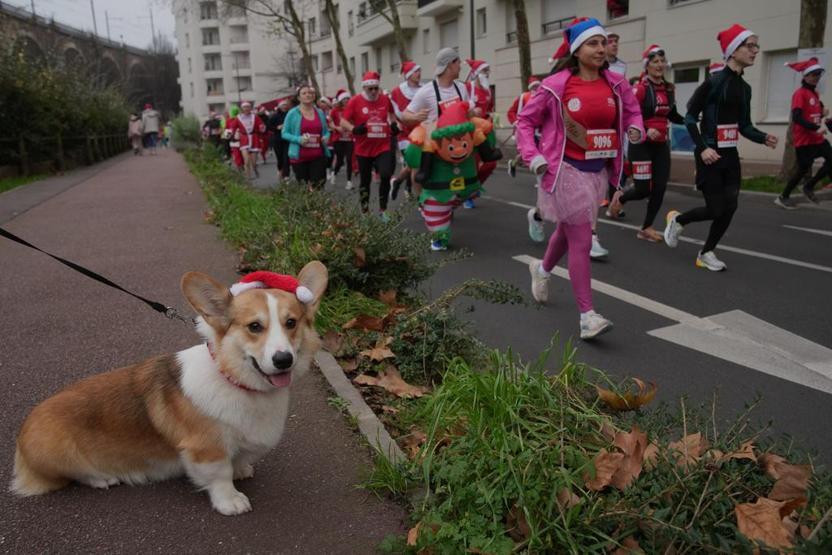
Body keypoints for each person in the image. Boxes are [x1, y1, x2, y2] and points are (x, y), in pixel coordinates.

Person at [516, 17, 644, 340]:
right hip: (565, 171)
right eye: (593, 43)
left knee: (567, 230)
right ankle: (587, 315)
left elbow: (632, 113)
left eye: (603, 43)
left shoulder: (617, 83)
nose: (601, 49)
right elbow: (524, 121)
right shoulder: (557, 85)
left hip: (598, 170)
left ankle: (541, 269)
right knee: (582, 239)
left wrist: (635, 129)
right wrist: (534, 157)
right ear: (577, 50)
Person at [664, 23, 777, 271]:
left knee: (731, 206)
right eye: (750, 46)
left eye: (756, 46)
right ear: (734, 50)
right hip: (709, 154)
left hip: (730, 154)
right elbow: (691, 117)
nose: (755, 51)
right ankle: (678, 220)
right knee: (716, 208)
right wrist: (703, 148)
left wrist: (762, 137)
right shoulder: (713, 82)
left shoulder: (745, 88)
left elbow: (744, 125)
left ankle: (706, 252)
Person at [608, 45, 684, 242]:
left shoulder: (669, 89)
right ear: (647, 66)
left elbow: (672, 114)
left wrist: (691, 120)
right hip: (641, 144)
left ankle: (646, 227)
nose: (660, 65)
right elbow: (629, 114)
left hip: (661, 145)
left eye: (662, 61)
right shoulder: (640, 89)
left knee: (659, 187)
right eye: (655, 62)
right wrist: (644, 129)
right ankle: (620, 198)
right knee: (643, 190)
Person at [340, 71, 399, 219]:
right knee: (365, 181)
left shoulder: (385, 99)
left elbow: (392, 114)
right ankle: (365, 211)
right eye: (370, 88)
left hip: (382, 145)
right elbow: (343, 122)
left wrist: (393, 124)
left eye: (376, 88)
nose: (373, 91)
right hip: (363, 148)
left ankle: (383, 210)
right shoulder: (355, 101)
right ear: (364, 88)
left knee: (385, 175)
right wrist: (354, 129)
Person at [775, 58, 830, 208]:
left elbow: (816, 114)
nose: (816, 77)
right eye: (813, 74)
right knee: (803, 169)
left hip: (817, 138)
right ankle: (783, 196)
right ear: (805, 76)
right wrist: (814, 127)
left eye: (818, 74)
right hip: (804, 140)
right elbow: (797, 117)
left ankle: (809, 186)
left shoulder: (815, 94)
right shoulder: (800, 94)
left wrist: (824, 117)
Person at [506, 76, 546, 243]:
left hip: (545, 135)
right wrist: (517, 123)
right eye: (534, 85)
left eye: (538, 85)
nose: (536, 87)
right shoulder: (524, 97)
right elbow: (513, 112)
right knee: (527, 156)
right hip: (530, 134)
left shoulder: (546, 95)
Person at [401, 48, 470, 125]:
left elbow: (468, 113)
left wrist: (473, 112)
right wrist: (415, 116)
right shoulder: (426, 91)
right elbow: (404, 116)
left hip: (462, 136)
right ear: (450, 64)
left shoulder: (462, 88)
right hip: (437, 136)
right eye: (458, 63)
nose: (460, 68)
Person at [463, 58, 497, 208]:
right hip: (472, 131)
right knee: (473, 165)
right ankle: (467, 196)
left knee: (491, 162)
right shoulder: (467, 88)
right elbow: (459, 107)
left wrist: (492, 116)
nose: (488, 73)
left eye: (488, 70)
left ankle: (475, 188)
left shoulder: (488, 90)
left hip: (486, 129)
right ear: (476, 73)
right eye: (484, 71)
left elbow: (490, 108)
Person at [282, 85, 331, 190]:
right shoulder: (292, 113)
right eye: (304, 93)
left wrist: (326, 137)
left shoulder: (320, 112)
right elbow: (284, 133)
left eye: (309, 92)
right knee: (304, 189)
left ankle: (317, 206)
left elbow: (326, 132)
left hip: (318, 156)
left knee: (318, 186)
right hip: (299, 157)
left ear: (313, 96)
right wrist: (298, 139)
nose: (307, 95)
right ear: (299, 98)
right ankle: (308, 206)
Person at [389, 61, 423, 201]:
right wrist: (395, 123)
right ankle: (421, 199)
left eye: (420, 71)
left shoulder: (424, 89)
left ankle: (397, 181)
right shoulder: (397, 91)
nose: (419, 74)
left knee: (413, 165)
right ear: (408, 75)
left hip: (422, 132)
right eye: (416, 71)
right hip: (405, 135)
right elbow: (392, 111)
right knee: (415, 165)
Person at [227, 101, 267, 179]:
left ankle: (255, 169)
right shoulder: (238, 118)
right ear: (242, 109)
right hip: (244, 140)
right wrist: (228, 134)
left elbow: (261, 125)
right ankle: (248, 176)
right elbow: (232, 127)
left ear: (250, 108)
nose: (246, 109)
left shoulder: (255, 117)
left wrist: (262, 127)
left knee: (254, 162)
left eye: (248, 107)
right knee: (246, 160)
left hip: (254, 139)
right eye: (244, 107)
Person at [329, 90, 355, 190]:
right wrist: (336, 127)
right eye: (344, 99)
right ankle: (334, 173)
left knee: (349, 159)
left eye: (348, 98)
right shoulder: (335, 110)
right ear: (340, 100)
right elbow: (330, 122)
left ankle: (349, 182)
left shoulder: (353, 109)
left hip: (349, 138)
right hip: (338, 138)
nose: (346, 100)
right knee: (340, 160)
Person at [267, 98, 291, 181]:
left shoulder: (290, 115)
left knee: (286, 158)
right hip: (277, 140)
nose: (284, 106)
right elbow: (268, 127)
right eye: (283, 105)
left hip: (288, 140)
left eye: (285, 105)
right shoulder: (274, 116)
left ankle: (286, 176)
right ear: (279, 106)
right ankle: (280, 169)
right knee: (280, 158)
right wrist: (277, 127)